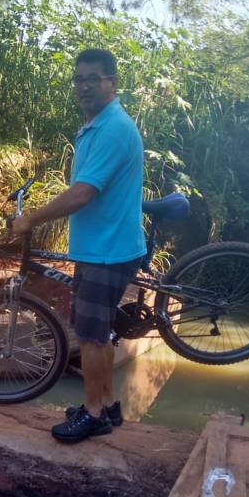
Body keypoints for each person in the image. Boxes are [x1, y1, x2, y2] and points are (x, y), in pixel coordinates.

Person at [11, 48, 145, 443]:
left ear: (112, 83)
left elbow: (83, 193)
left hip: (108, 250)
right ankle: (107, 404)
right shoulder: (95, 127)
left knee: (89, 335)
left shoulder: (114, 129)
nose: (84, 86)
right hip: (100, 247)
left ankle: (93, 415)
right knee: (97, 332)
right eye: (79, 79)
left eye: (93, 78)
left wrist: (31, 219)